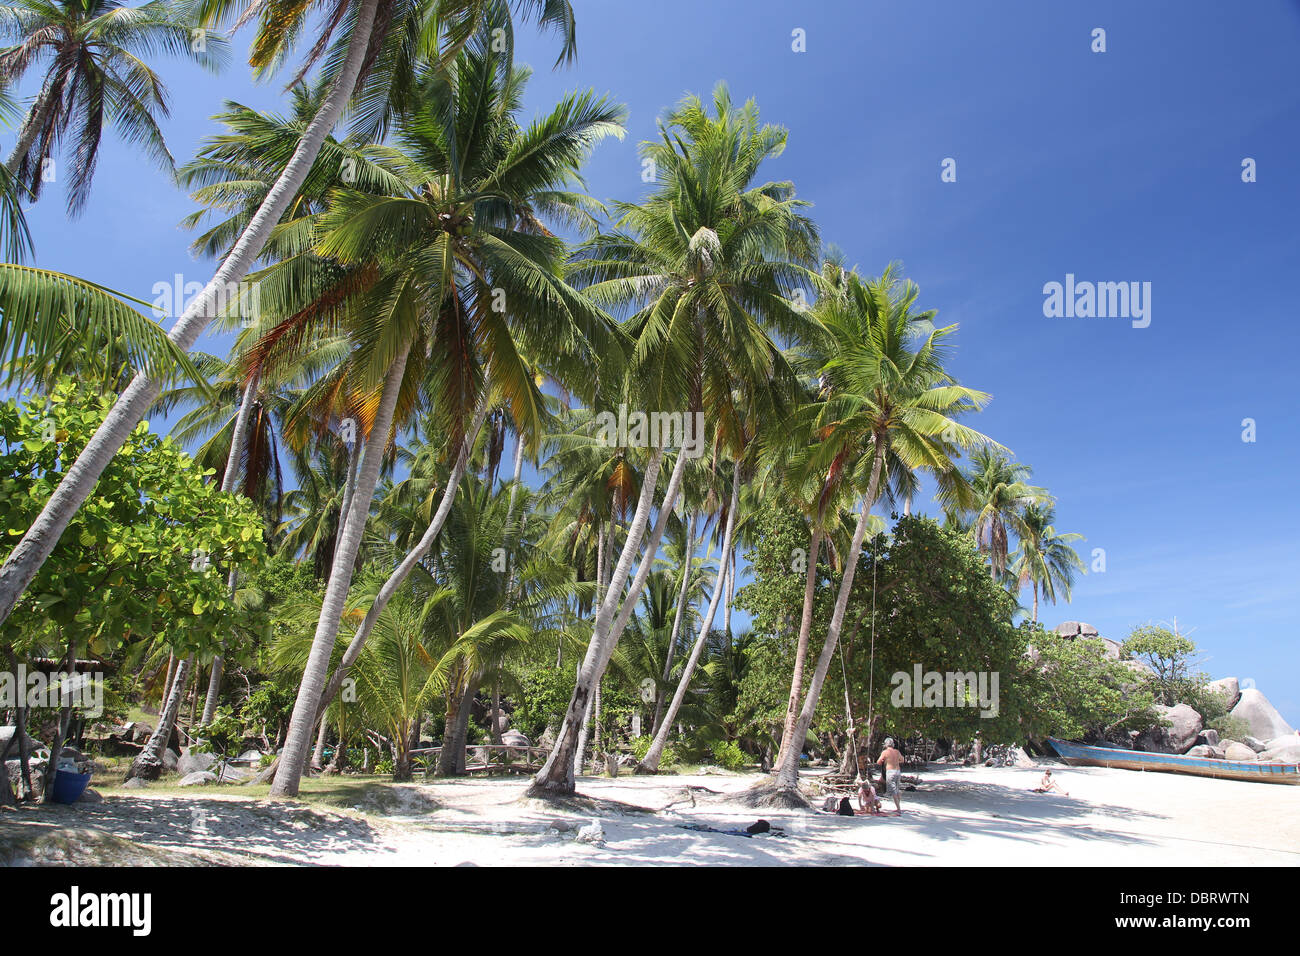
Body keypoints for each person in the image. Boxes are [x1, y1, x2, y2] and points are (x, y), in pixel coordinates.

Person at [876, 738, 903, 815]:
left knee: (893, 790)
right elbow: (902, 760)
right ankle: (898, 806)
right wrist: (895, 761)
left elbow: (878, 762)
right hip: (898, 771)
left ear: (885, 744)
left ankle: (898, 809)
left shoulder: (885, 752)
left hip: (890, 772)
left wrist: (885, 761)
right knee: (897, 789)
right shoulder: (897, 752)